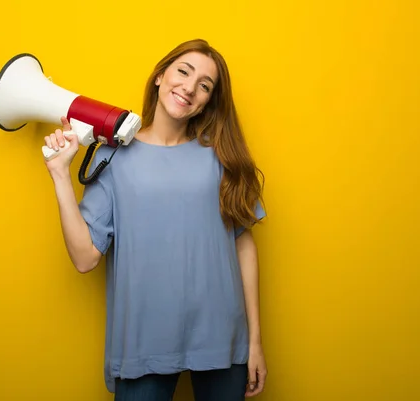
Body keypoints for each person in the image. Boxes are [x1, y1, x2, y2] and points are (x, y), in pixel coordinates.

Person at [43, 38, 268, 401]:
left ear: (208, 101)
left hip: (223, 342)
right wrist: (59, 174)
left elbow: (243, 243)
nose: (190, 88)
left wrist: (254, 342)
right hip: (143, 342)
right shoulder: (113, 158)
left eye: (205, 85)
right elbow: (85, 258)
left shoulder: (221, 157)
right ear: (160, 76)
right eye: (183, 71)